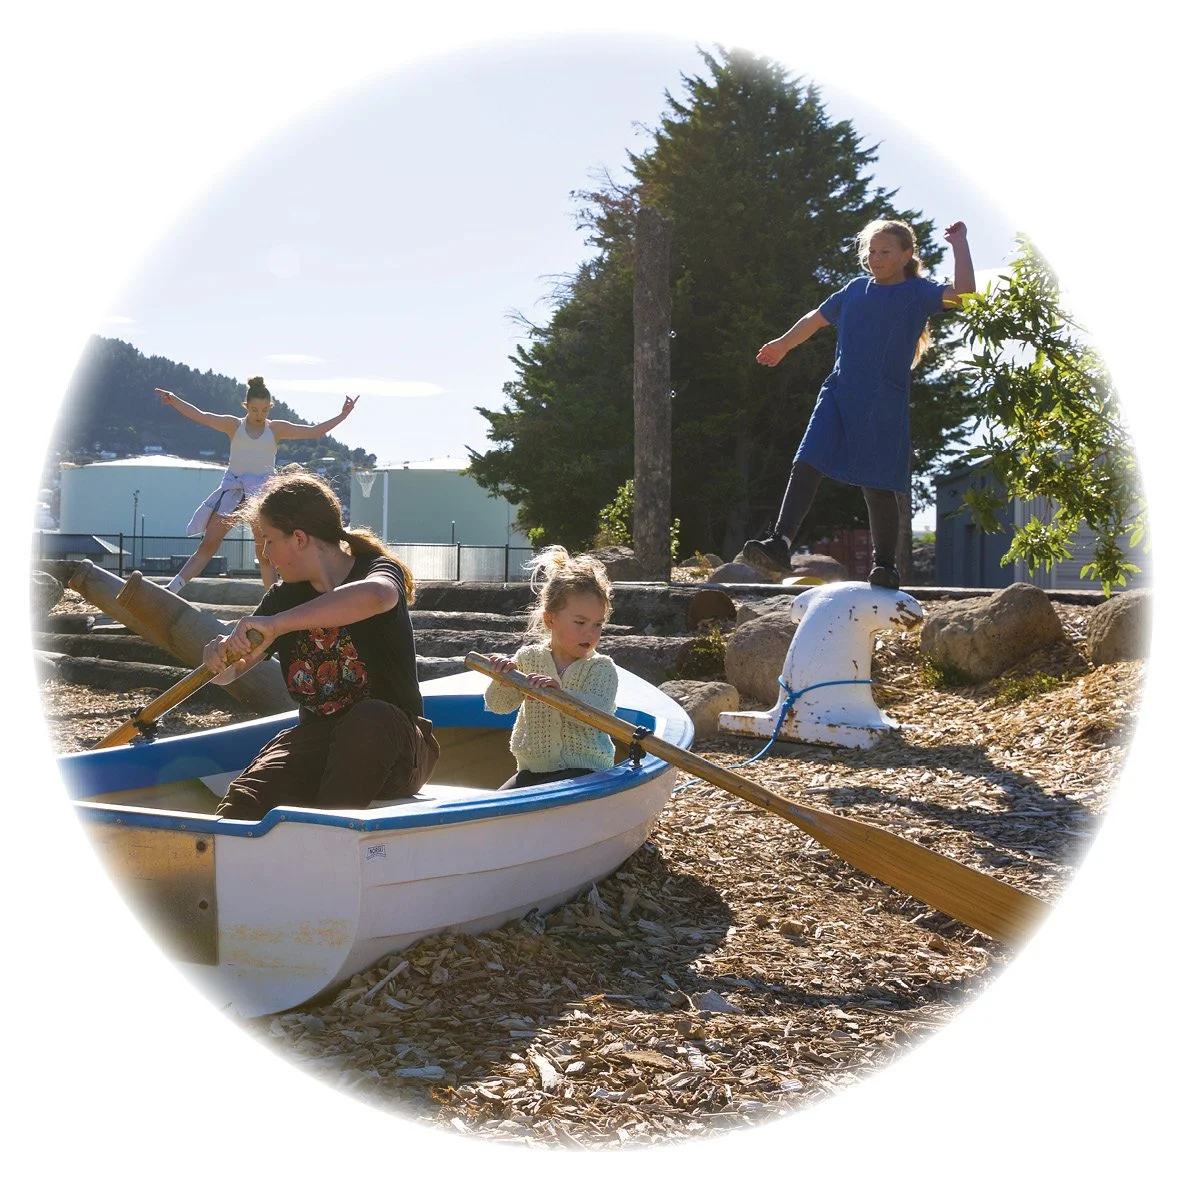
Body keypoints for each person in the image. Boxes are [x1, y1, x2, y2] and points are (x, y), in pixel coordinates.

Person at [742, 219, 975, 589]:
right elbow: (814, 319)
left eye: (884, 252)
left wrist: (959, 245)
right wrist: (784, 344)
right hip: (838, 393)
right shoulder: (853, 290)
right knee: (807, 461)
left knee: (878, 485)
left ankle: (885, 566)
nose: (875, 257)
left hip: (883, 400)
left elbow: (963, 294)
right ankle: (780, 542)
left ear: (906, 255)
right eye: (871, 250)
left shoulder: (917, 293)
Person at [201, 471, 439, 821]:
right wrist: (218, 662)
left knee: (369, 718)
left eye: (268, 540)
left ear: (298, 538)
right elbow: (235, 669)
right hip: (320, 744)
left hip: (397, 748)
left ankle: (324, 839)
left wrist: (277, 624)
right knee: (247, 800)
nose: (265, 555)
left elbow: (376, 596)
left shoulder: (376, 571)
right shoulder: (283, 597)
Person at [153, 375, 359, 593]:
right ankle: (172, 588)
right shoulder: (233, 425)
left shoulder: (276, 429)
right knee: (208, 545)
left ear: (270, 407)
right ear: (246, 406)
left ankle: (271, 602)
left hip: (262, 495)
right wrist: (174, 400)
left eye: (264, 410)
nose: (260, 415)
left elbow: (314, 431)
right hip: (234, 490)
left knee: (265, 554)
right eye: (255, 409)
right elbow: (201, 416)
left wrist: (343, 415)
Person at [481, 546, 619, 790]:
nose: (590, 632)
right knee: (494, 805)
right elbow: (498, 705)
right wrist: (503, 679)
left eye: (598, 624)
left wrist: (560, 695)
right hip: (533, 769)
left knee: (548, 795)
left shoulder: (600, 668)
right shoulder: (528, 657)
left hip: (585, 771)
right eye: (580, 622)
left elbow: (598, 715)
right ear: (550, 619)